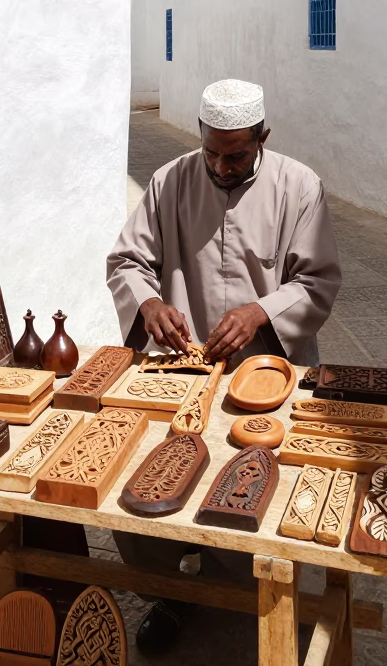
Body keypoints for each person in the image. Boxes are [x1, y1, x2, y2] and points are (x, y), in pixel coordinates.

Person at [106, 78, 341, 654]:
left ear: (262, 136)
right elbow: (128, 260)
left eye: (235, 154)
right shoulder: (171, 181)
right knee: (147, 495)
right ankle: (174, 590)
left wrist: (261, 312)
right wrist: (150, 302)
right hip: (185, 375)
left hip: (270, 375)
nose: (221, 165)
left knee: (250, 495)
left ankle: (235, 590)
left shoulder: (299, 186)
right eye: (211, 150)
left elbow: (317, 282)